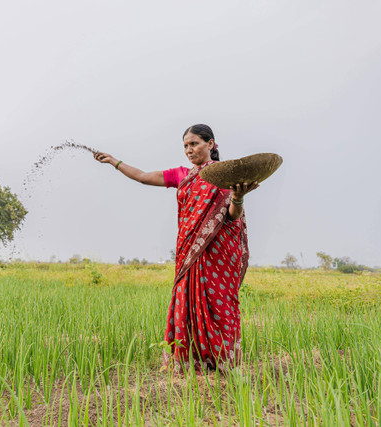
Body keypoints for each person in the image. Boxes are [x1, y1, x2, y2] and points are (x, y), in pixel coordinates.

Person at [93, 124, 258, 372]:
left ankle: (223, 365)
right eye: (185, 146)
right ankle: (189, 365)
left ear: (210, 144)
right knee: (188, 302)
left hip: (216, 255)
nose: (189, 150)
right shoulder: (183, 175)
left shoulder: (224, 175)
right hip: (189, 255)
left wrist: (238, 197)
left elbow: (232, 217)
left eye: (194, 144)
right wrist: (114, 162)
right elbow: (142, 176)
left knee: (219, 304)